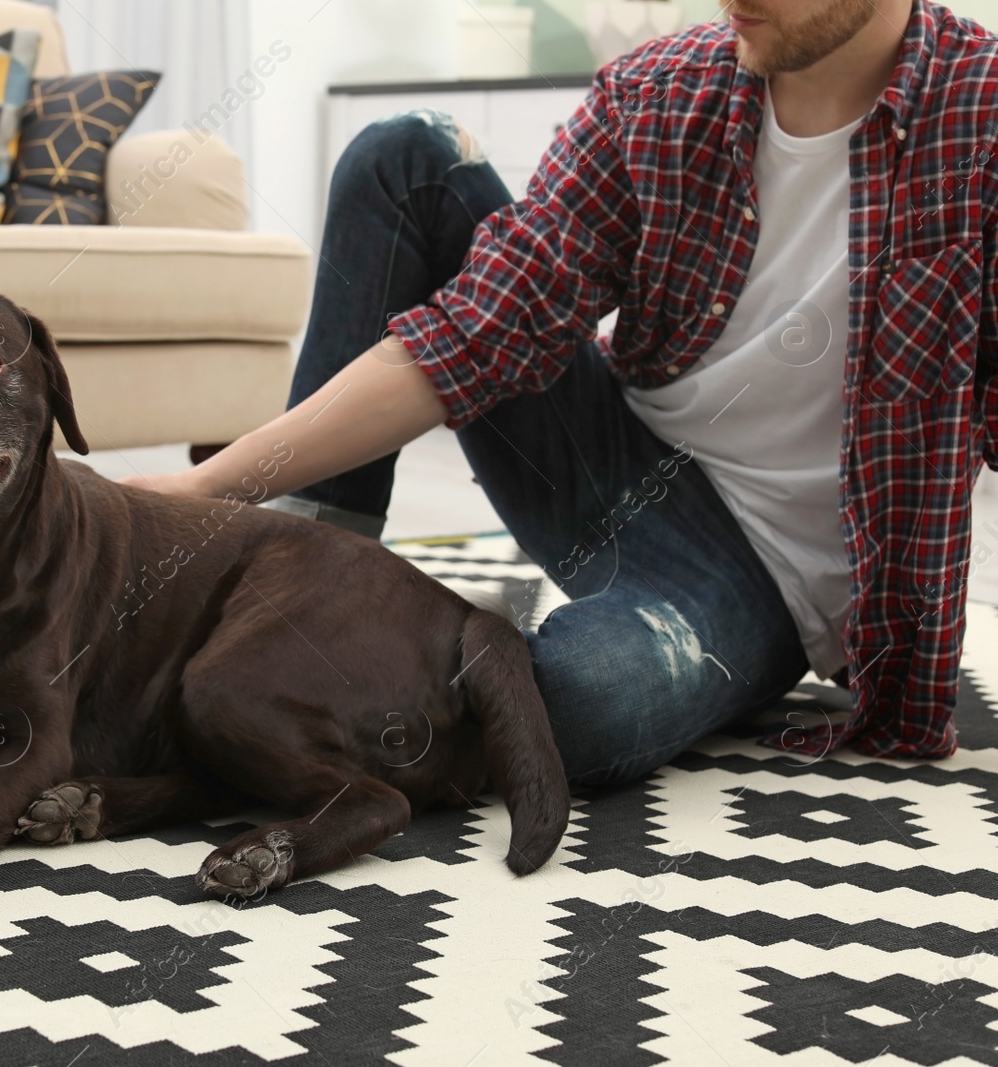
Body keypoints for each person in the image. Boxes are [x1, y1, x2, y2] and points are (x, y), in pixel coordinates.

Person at [126, 0, 998, 785]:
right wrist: (208, 491)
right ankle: (290, 600)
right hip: (606, 456)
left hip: (767, 579)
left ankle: (369, 669)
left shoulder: (980, 119)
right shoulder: (661, 92)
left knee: (577, 705)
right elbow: (479, 331)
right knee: (408, 152)